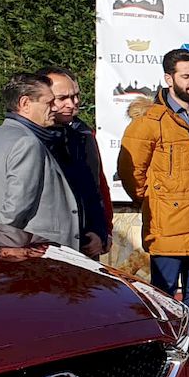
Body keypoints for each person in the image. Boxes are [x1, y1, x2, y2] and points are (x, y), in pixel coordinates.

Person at [119, 48, 189, 377]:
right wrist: (158, 201)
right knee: (165, 298)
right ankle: (164, 363)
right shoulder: (149, 121)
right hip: (167, 227)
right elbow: (130, 171)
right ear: (169, 79)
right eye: (186, 76)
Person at [0, 72, 82, 250]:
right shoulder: (28, 142)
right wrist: (2, 237)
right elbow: (16, 207)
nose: (54, 108)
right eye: (48, 102)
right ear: (25, 103)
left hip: (12, 244)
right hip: (38, 247)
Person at [37, 67, 111, 258]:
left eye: (76, 96)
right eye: (63, 98)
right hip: (46, 247)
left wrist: (102, 232)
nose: (73, 103)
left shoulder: (84, 134)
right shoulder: (28, 138)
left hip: (87, 244)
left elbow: (96, 187)